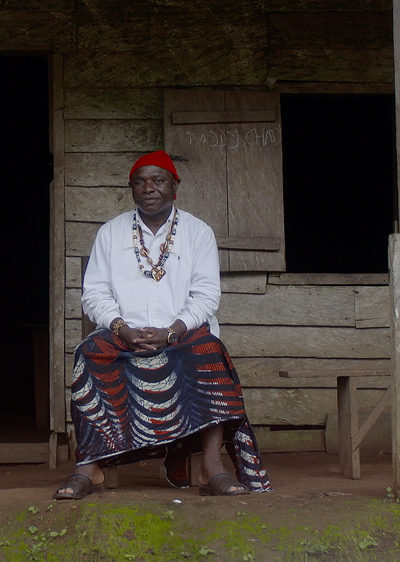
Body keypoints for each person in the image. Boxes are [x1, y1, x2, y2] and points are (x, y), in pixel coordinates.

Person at [54, 150, 271, 500]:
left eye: (158, 180)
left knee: (209, 352)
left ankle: (211, 467)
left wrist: (172, 332)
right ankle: (90, 468)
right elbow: (94, 294)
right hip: (124, 335)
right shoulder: (111, 233)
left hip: (182, 335)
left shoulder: (198, 232)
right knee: (89, 355)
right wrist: (121, 328)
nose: (149, 188)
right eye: (140, 182)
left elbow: (206, 296)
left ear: (175, 187)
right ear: (131, 188)